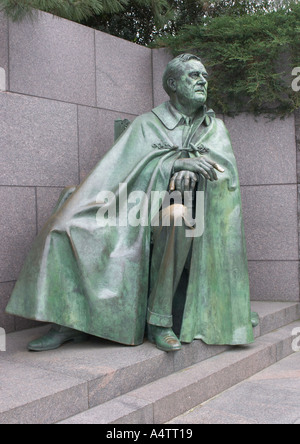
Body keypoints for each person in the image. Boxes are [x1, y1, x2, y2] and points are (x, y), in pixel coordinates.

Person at [6, 54, 256, 352]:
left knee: (178, 215)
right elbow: (117, 172)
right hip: (132, 208)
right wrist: (173, 166)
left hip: (190, 220)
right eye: (193, 76)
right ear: (172, 84)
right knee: (64, 224)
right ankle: (67, 320)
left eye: (204, 75)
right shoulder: (147, 124)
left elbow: (223, 176)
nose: (202, 80)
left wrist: (192, 174)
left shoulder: (213, 129)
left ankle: (159, 321)